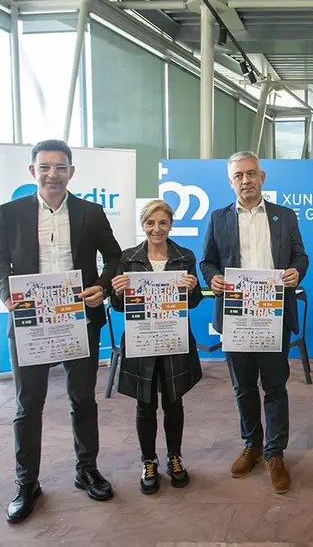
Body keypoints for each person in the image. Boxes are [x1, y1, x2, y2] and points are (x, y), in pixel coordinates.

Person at [0, 139, 121, 523]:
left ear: (71, 172)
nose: (52, 174)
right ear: (33, 171)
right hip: (30, 322)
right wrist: (7, 295)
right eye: (44, 167)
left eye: (60, 167)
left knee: (83, 399)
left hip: (79, 320)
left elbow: (114, 256)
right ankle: (27, 482)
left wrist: (102, 286)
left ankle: (87, 470)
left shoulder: (90, 213)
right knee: (28, 404)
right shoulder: (10, 213)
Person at [200, 151, 308, 494]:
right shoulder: (218, 218)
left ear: (262, 177)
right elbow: (207, 261)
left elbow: (301, 256)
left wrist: (297, 272)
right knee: (243, 387)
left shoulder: (284, 216)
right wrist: (213, 278)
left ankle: (275, 454)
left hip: (274, 316)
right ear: (230, 181)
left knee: (274, 387)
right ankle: (253, 445)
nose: (245, 180)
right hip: (236, 317)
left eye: (251, 173)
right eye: (238, 176)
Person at [110, 199, 203, 494]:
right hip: (142, 340)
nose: (157, 229)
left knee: (174, 402)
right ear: (143, 225)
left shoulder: (185, 256)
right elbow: (119, 305)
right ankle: (148, 461)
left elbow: (194, 301)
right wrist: (118, 292)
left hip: (174, 339)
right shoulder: (127, 258)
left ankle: (175, 457)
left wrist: (192, 289)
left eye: (163, 222)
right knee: (145, 404)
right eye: (150, 223)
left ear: (171, 224)